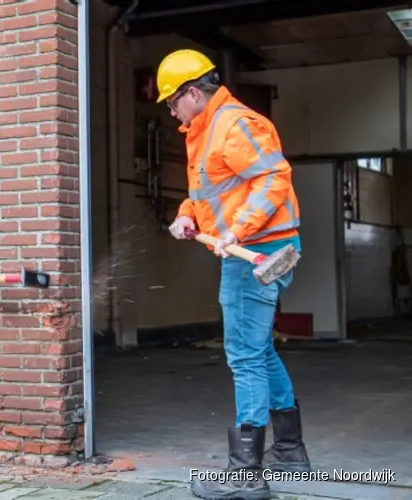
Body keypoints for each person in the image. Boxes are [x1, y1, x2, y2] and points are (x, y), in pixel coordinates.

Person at [156, 49, 311, 500]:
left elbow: (273, 178)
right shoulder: (205, 131)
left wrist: (239, 230)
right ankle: (289, 452)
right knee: (259, 352)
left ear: (191, 93)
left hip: (255, 253)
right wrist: (188, 215)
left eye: (171, 102)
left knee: (243, 355)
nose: (170, 111)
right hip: (255, 249)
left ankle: (246, 476)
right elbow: (211, 190)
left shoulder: (234, 123)